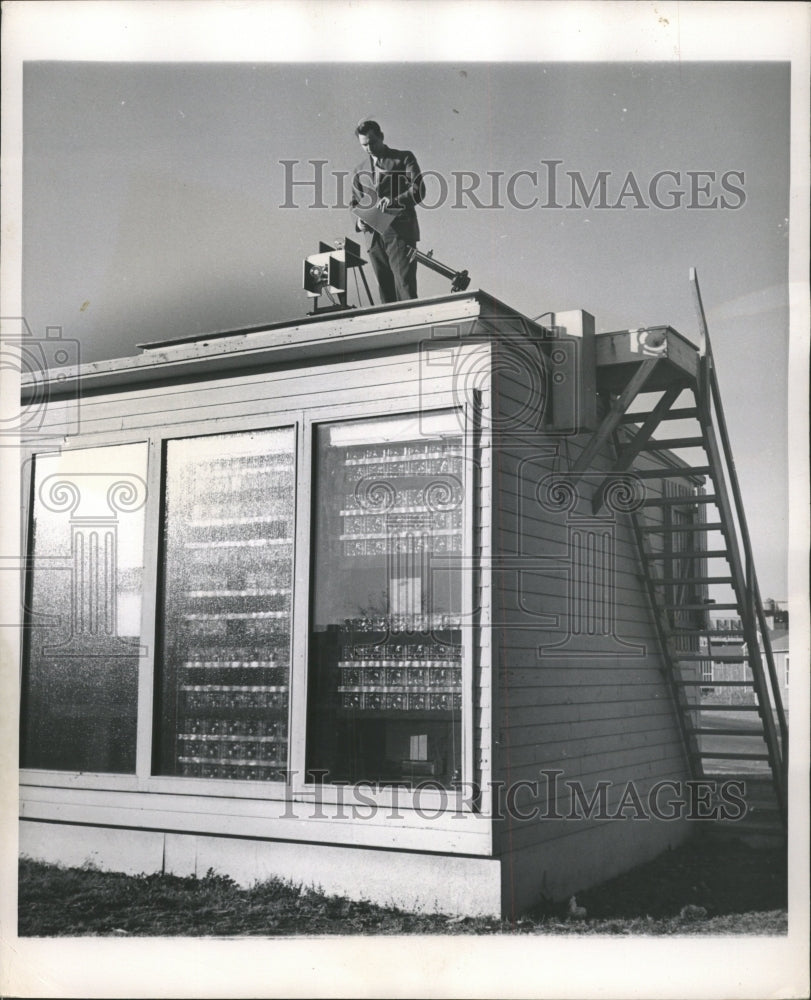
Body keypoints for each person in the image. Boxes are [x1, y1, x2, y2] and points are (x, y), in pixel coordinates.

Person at [350, 120, 425, 303]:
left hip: (398, 233)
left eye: (372, 142)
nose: (369, 148)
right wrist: (359, 222)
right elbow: (354, 203)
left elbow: (419, 190)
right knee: (386, 294)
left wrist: (393, 201)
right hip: (373, 238)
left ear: (382, 137)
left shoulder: (403, 158)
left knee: (404, 288)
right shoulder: (359, 171)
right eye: (364, 145)